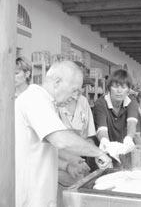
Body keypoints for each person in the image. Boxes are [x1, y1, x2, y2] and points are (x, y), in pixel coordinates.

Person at [15, 61, 112, 207]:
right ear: (57, 82)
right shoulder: (34, 99)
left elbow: (48, 145)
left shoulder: (47, 102)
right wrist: (99, 153)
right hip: (29, 196)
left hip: (40, 193)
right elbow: (60, 139)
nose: (75, 96)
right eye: (74, 90)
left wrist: (70, 162)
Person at [93, 69, 139, 168]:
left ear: (128, 90)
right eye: (115, 86)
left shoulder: (132, 101)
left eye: (123, 87)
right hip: (104, 152)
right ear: (109, 88)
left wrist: (129, 138)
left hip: (124, 150)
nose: (119, 91)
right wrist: (105, 142)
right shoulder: (101, 103)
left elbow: (132, 122)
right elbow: (102, 129)